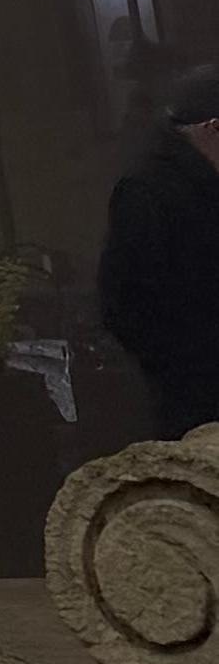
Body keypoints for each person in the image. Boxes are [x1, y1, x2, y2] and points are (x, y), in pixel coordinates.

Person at [98, 64, 219, 436]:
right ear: (212, 129)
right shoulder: (149, 192)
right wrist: (188, 362)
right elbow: (126, 303)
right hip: (196, 396)